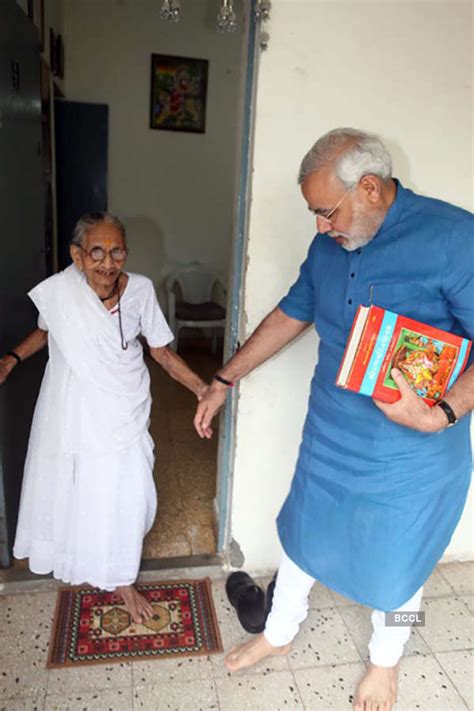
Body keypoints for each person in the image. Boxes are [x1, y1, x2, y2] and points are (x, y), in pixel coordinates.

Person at [194, 129, 474, 711]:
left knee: (403, 559)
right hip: (330, 432)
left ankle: (386, 662)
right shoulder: (330, 245)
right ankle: (278, 631)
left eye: (326, 211)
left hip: (410, 449)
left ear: (368, 188)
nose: (321, 226)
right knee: (304, 534)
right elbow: (293, 311)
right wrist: (224, 380)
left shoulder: (455, 237)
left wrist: (442, 413)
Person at [0, 212, 207, 623]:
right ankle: (106, 569)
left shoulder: (142, 290)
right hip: (77, 408)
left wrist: (203, 389)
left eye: (117, 252)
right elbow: (45, 331)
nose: (108, 263)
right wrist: (11, 359)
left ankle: (121, 571)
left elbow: (161, 351)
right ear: (77, 256)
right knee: (87, 488)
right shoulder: (63, 292)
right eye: (97, 252)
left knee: (131, 490)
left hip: (124, 407)